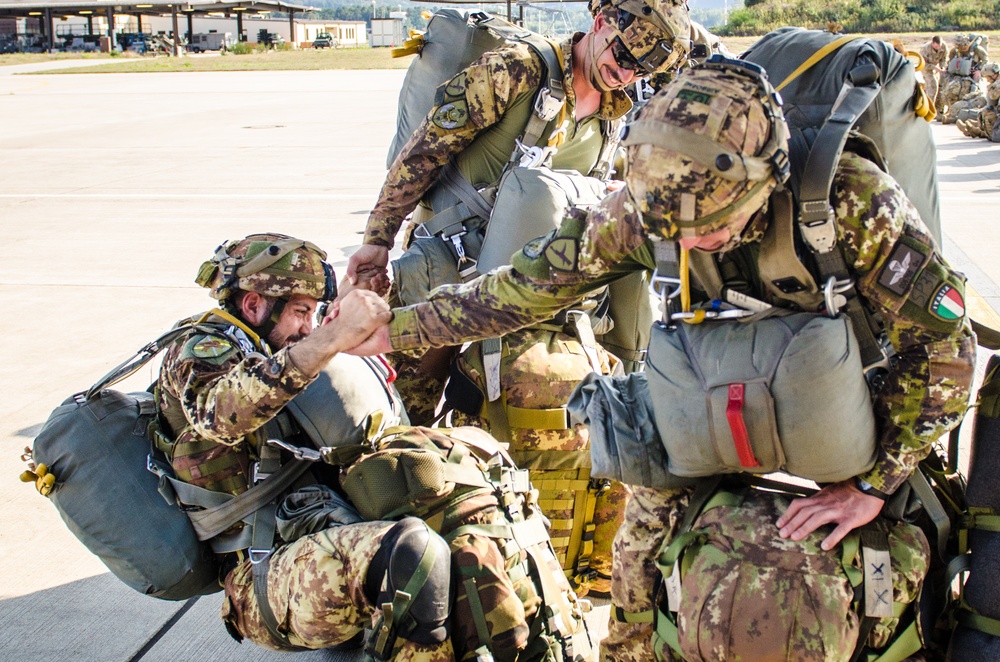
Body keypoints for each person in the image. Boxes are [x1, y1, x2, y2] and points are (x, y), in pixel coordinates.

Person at [346, 60, 976, 659]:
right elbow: (526, 288)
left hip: (850, 407)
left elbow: (948, 348)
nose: (688, 243)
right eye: (673, 230)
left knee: (889, 584)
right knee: (639, 571)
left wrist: (873, 483)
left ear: (767, 179)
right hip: (706, 398)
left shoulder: (852, 202)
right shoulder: (654, 207)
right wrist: (397, 330)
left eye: (711, 229)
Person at [156, 234, 591, 661]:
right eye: (301, 313)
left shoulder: (271, 345)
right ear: (253, 305)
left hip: (326, 527)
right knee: (414, 558)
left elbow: (386, 417)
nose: (308, 327)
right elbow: (223, 414)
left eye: (314, 315)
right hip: (262, 571)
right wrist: (329, 340)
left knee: (479, 496)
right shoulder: (198, 350)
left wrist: (370, 321)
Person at [345, 0, 691, 424]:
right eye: (622, 56)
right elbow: (422, 153)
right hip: (449, 276)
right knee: (397, 417)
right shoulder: (517, 70)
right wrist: (377, 241)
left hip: (526, 299)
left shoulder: (612, 114)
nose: (626, 74)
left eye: (640, 70)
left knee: (498, 431)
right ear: (600, 23)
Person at [938, 33, 989, 120]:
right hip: (958, 76)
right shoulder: (955, 51)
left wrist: (979, 70)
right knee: (950, 90)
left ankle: (965, 112)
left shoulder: (976, 49)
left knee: (968, 94)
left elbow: (986, 60)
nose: (961, 49)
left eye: (963, 47)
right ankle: (951, 110)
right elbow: (950, 61)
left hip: (971, 76)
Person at [957, 62, 1000, 139]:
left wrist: (990, 89)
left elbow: (991, 101)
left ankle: (978, 131)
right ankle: (977, 128)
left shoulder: (996, 85)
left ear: (993, 75)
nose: (987, 80)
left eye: (988, 78)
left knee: (988, 113)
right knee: (982, 112)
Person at [919, 35, 948, 113]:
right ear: (932, 43)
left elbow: (943, 59)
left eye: (940, 46)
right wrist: (935, 68)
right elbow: (923, 64)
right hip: (926, 68)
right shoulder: (925, 49)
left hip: (937, 68)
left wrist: (942, 67)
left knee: (941, 87)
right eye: (936, 46)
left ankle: (939, 110)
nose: (939, 48)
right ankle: (928, 110)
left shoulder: (944, 46)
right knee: (932, 86)